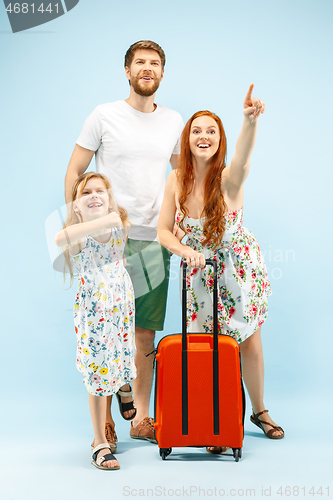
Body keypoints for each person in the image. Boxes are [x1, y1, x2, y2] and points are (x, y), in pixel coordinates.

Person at [64, 40, 184, 446]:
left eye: (154, 63)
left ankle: (141, 418)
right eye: (139, 63)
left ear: (162, 73)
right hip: (109, 243)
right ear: (128, 71)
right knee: (106, 333)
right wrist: (78, 220)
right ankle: (105, 426)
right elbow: (76, 170)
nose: (146, 69)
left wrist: (183, 222)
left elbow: (180, 177)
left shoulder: (174, 121)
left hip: (153, 241)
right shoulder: (104, 116)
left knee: (144, 334)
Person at [157, 84, 284, 454]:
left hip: (236, 270)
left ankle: (258, 411)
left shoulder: (229, 178)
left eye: (211, 130)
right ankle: (216, 420)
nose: (203, 136)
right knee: (207, 348)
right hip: (199, 274)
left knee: (249, 345)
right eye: (196, 130)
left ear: (219, 139)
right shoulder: (176, 180)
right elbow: (164, 231)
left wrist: (249, 122)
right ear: (187, 138)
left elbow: (243, 160)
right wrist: (183, 250)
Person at [55, 172, 136, 470]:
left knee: (124, 355)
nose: (93, 196)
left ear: (109, 197)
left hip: (121, 306)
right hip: (94, 314)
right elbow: (59, 238)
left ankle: (124, 388)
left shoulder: (120, 228)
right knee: (99, 371)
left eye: (99, 191)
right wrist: (107, 219)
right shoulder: (77, 235)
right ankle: (99, 443)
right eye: (85, 193)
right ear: (77, 205)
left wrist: (115, 221)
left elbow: (120, 259)